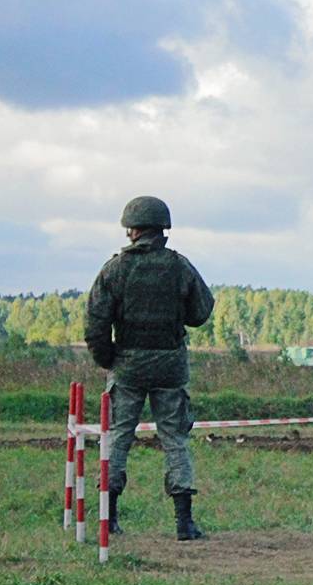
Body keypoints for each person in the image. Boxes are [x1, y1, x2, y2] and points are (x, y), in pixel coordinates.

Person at [85, 196, 216, 541]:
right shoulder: (180, 266)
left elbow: (96, 322)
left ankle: (109, 517)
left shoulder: (114, 269)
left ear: (132, 230)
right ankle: (184, 523)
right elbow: (201, 312)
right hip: (171, 366)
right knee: (175, 441)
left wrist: (108, 359)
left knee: (118, 439)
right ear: (163, 229)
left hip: (127, 367)